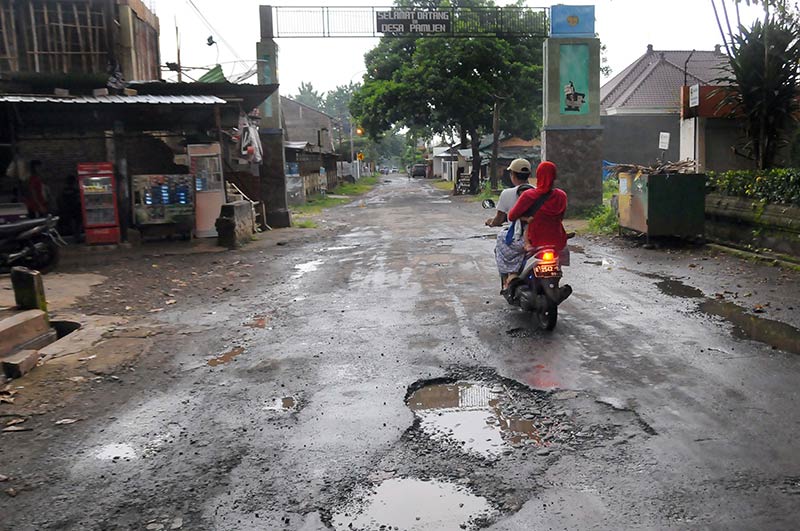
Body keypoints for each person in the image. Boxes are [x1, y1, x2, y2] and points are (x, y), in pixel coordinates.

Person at [486, 159, 532, 291]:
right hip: (538, 237)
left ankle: (511, 275)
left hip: (519, 240)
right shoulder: (538, 192)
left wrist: (491, 222)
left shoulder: (507, 194)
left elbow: (499, 219)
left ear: (512, 174)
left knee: (501, 240)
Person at [508, 160, 568, 256]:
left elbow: (511, 216)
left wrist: (524, 218)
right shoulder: (562, 195)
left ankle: (512, 270)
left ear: (538, 176)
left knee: (506, 243)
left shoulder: (528, 195)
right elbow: (561, 217)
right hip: (558, 241)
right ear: (554, 176)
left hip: (534, 241)